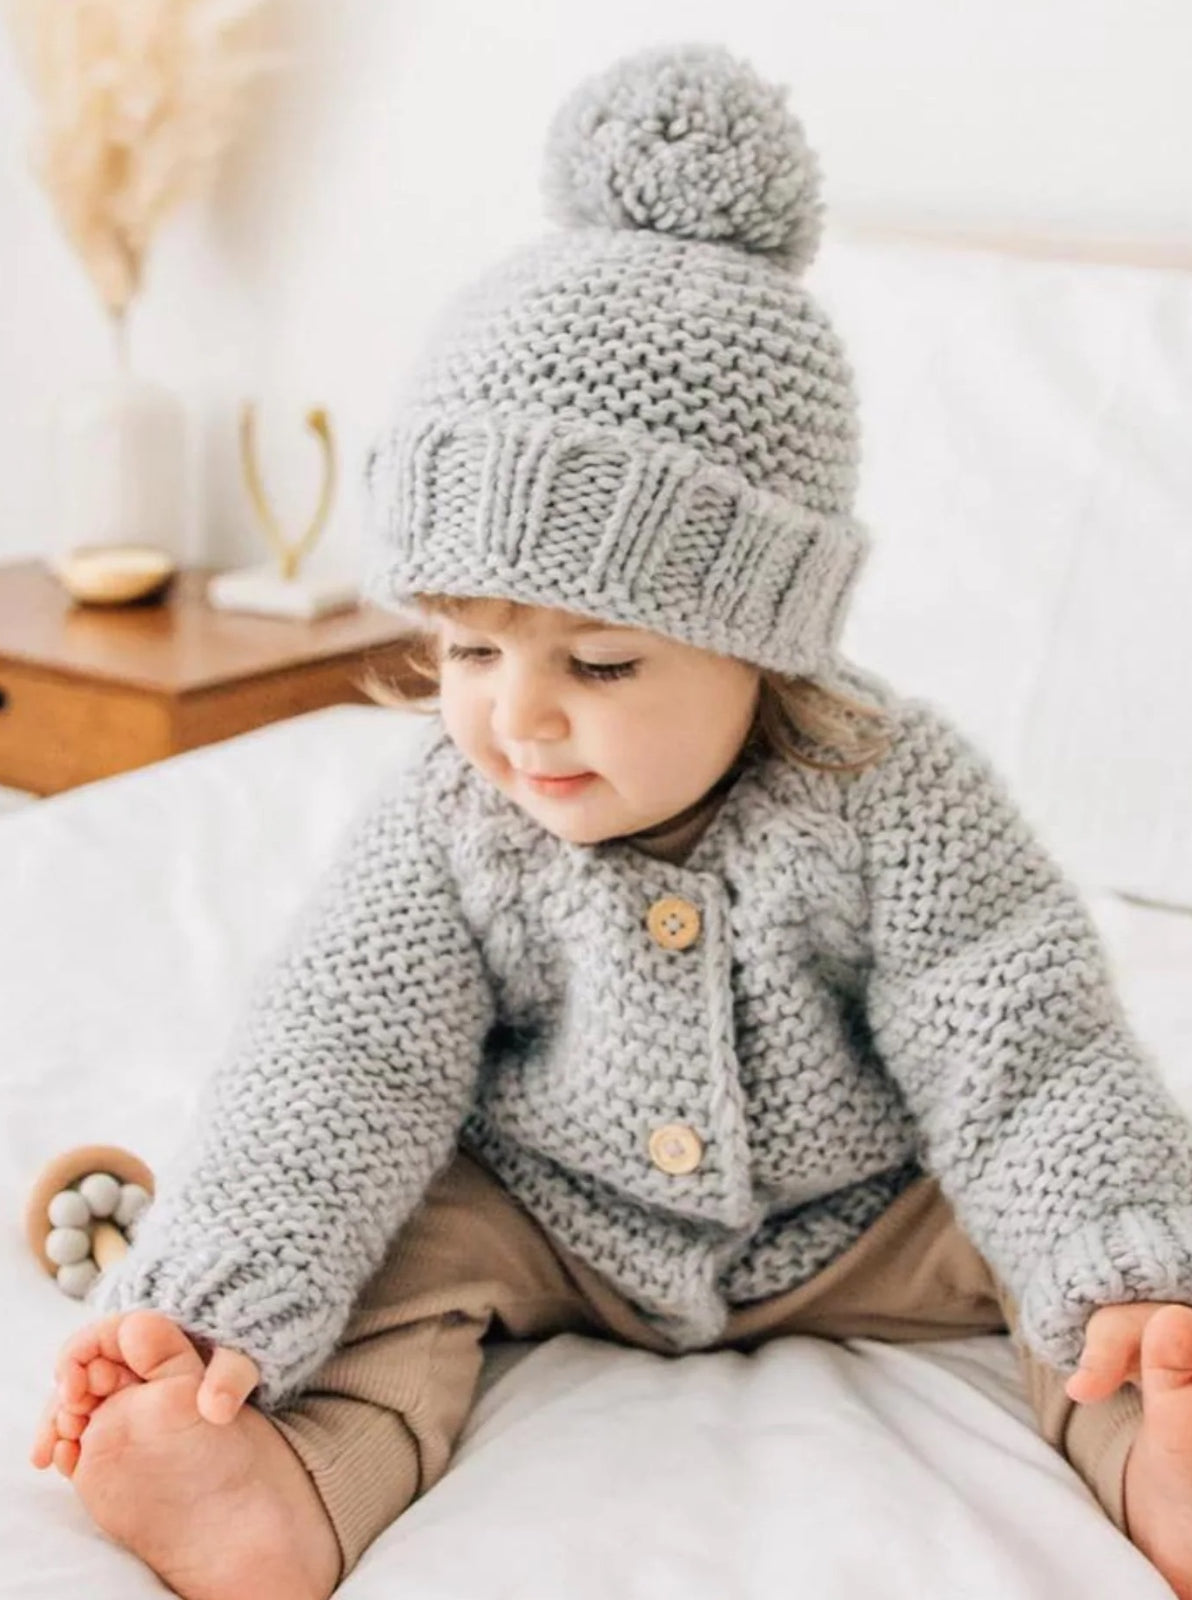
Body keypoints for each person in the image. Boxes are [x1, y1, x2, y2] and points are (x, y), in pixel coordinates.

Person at [31, 42, 1192, 1600]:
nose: (519, 716)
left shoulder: (888, 796)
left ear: (763, 639)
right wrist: (223, 1294)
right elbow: (339, 1056)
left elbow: (1022, 1042)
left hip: (866, 1211)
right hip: (546, 1206)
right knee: (388, 1249)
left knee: (1076, 1275)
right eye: (467, 650)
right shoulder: (456, 825)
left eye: (599, 662)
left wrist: (1118, 1257)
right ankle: (276, 1482)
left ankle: (1157, 1447)